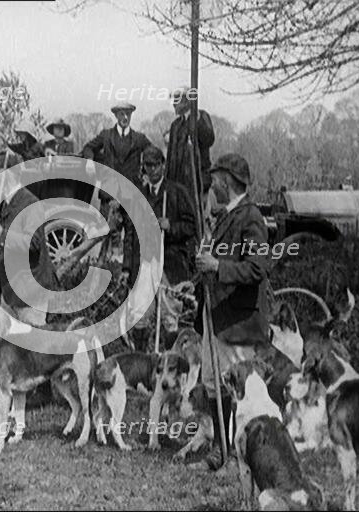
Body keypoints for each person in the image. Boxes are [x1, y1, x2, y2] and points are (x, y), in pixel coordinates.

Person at [194, 153, 271, 471]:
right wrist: (204, 262)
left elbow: (258, 267)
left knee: (239, 391)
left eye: (215, 180)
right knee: (213, 383)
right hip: (216, 315)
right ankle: (219, 450)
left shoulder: (250, 216)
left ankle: (241, 456)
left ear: (227, 181)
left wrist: (217, 266)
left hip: (238, 321)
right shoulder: (225, 216)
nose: (212, 186)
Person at [123, 146, 196, 351]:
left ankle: (171, 364)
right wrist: (127, 267)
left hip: (169, 265)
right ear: (143, 168)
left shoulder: (176, 192)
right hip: (144, 265)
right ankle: (142, 363)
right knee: (141, 317)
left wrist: (171, 226)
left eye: (156, 164)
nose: (152, 169)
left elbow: (191, 226)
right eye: (148, 165)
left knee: (170, 317)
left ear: (163, 165)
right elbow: (129, 233)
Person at [81, 102, 152, 287]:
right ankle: (96, 282)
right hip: (109, 195)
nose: (124, 117)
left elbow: (154, 154)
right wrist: (89, 161)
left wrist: (145, 175)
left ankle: (126, 279)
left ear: (131, 116)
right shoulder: (106, 136)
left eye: (127, 114)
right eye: (121, 114)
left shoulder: (139, 139)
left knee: (130, 238)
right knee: (104, 238)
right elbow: (88, 147)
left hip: (130, 196)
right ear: (116, 116)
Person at [0, 160, 60, 326]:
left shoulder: (30, 203)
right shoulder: (4, 205)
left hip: (30, 294)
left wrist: (2, 233)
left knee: (33, 347)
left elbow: (33, 244)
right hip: (10, 294)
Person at [165, 86, 216, 201]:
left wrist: (197, 119)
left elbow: (209, 139)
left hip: (198, 184)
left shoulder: (201, 116)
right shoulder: (175, 125)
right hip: (178, 185)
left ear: (185, 101)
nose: (173, 104)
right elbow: (170, 158)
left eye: (176, 100)